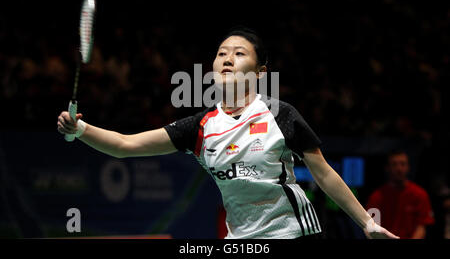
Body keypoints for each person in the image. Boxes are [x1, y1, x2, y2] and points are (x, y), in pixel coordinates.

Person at [57, 27, 398, 239]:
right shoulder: (201, 127)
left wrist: (366, 223)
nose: (227, 58)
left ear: (260, 72)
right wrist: (81, 129)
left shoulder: (280, 114)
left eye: (238, 53)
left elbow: (323, 173)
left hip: (294, 233)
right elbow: (125, 145)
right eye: (221, 53)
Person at [366, 150, 435, 239]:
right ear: (387, 168)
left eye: (402, 164)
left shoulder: (420, 194)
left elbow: (421, 227)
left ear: (408, 167)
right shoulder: (376, 197)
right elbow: (372, 228)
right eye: (394, 164)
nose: (399, 168)